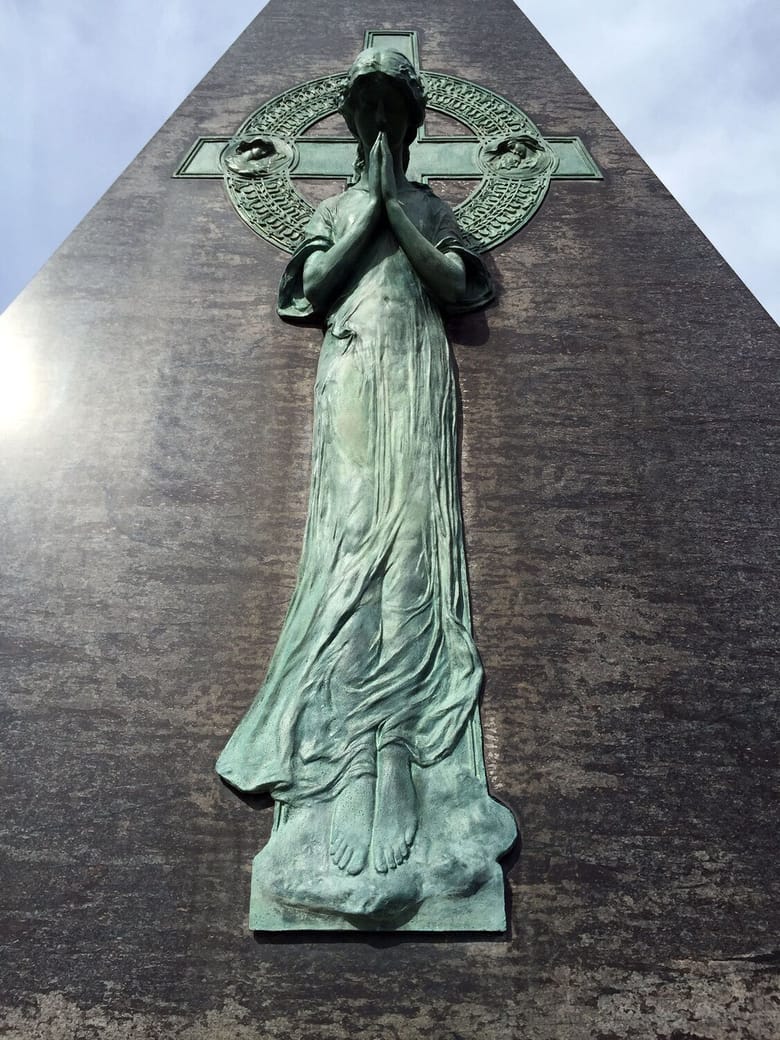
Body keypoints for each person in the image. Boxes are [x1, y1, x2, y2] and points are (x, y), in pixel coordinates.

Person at [216, 48, 493, 879]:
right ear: (350, 123)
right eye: (365, 110)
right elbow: (314, 287)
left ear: (408, 127)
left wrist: (397, 210)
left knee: (411, 551)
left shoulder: (431, 206)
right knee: (351, 544)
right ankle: (352, 762)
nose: (377, 122)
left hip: (415, 368)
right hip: (352, 365)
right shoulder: (334, 207)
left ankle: (398, 750)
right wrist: (366, 207)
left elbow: (455, 284)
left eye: (390, 111)